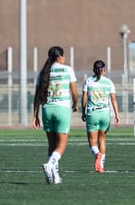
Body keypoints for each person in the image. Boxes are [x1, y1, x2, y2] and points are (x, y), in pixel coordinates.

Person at [32, 46, 78, 184]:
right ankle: (51, 165)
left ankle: (55, 176)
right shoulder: (68, 69)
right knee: (61, 145)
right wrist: (76, 104)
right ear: (60, 57)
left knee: (52, 145)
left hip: (47, 109)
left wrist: (35, 115)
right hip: (62, 109)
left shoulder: (43, 72)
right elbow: (74, 92)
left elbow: (37, 96)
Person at [81, 60, 120, 173]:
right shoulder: (109, 82)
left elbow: (84, 98)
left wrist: (83, 112)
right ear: (104, 70)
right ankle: (101, 166)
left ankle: (97, 154)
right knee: (102, 140)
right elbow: (113, 100)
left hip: (93, 113)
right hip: (105, 114)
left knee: (92, 142)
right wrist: (117, 115)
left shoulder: (88, 81)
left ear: (94, 70)